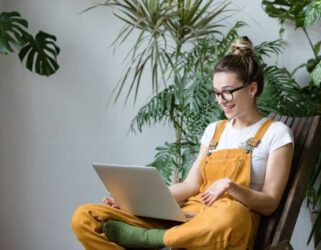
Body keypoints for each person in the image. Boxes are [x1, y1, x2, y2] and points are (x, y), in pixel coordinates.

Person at [71, 36, 294, 250]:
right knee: (85, 217)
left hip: (224, 224)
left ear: (252, 89)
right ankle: (170, 239)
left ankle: (154, 239)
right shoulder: (214, 131)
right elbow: (190, 186)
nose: (220, 101)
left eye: (227, 92)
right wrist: (136, 202)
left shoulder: (276, 133)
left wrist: (232, 187)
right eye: (216, 93)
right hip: (189, 218)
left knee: (231, 215)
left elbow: (270, 203)